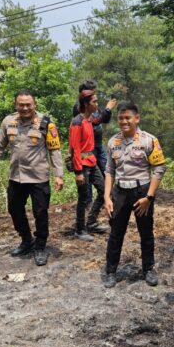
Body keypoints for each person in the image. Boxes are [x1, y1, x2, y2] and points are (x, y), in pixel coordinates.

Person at [0, 90, 64, 267]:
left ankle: (40, 247)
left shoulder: (46, 123)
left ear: (35, 104)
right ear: (16, 105)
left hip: (38, 176)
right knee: (14, 209)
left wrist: (59, 175)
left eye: (28, 104)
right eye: (21, 105)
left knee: (40, 213)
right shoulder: (8, 122)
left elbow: (54, 150)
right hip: (16, 176)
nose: (25, 108)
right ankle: (26, 240)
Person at [102, 102, 166, 288]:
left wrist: (149, 197)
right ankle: (111, 271)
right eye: (120, 118)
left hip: (142, 193)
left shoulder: (148, 140)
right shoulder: (113, 142)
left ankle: (148, 269)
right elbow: (109, 170)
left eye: (127, 117)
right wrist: (107, 197)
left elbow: (159, 169)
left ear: (136, 118)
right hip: (119, 193)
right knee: (116, 233)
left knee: (145, 232)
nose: (124, 121)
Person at [70, 90, 109, 241]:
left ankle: (91, 222)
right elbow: (74, 149)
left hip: (92, 162)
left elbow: (101, 119)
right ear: (86, 104)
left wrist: (109, 109)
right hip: (83, 166)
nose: (97, 104)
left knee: (103, 190)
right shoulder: (77, 122)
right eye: (94, 102)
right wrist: (78, 172)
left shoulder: (89, 120)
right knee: (84, 197)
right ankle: (80, 229)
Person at [72, 80, 118, 203]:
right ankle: (88, 202)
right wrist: (107, 109)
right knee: (88, 175)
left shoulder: (94, 104)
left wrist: (108, 111)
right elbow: (95, 120)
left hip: (98, 145)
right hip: (87, 148)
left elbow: (104, 119)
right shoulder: (80, 107)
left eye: (93, 91)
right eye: (90, 91)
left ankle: (108, 197)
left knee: (106, 171)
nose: (92, 93)